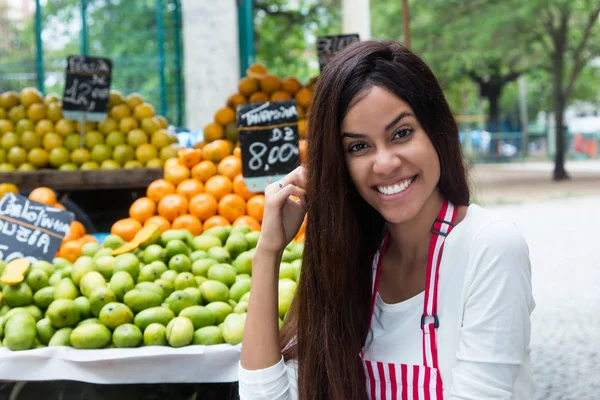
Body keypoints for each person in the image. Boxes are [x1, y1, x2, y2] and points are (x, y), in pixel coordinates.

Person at [238, 40, 536, 400]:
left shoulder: (489, 248)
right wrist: (268, 252)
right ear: (340, 164)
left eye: (401, 133)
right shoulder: (351, 254)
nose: (385, 163)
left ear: (436, 132)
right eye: (358, 147)